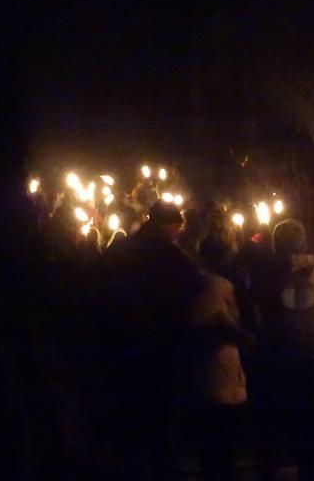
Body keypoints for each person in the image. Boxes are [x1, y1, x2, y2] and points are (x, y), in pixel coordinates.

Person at [108, 199, 200, 480]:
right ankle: (161, 465)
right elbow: (191, 290)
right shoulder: (170, 256)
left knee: (131, 410)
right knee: (160, 411)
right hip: (161, 343)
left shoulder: (121, 250)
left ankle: (132, 464)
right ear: (169, 226)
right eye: (177, 227)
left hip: (124, 341)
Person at [252, 218, 314, 481]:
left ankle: (269, 467)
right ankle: (307, 470)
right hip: (313, 353)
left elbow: (258, 309)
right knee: (309, 420)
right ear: (302, 242)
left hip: (277, 353)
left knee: (275, 418)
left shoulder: (266, 272)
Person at [190, 236, 255, 481]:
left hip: (211, 365)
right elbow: (221, 320)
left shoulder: (197, 282)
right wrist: (246, 336)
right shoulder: (216, 286)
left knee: (213, 436)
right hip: (219, 365)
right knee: (221, 435)